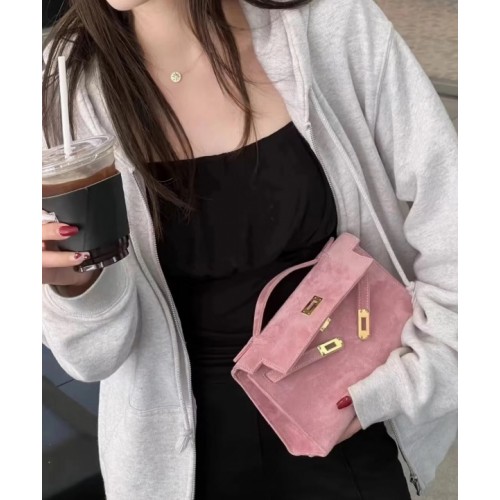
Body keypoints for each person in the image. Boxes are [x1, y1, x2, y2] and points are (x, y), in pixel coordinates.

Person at [41, 0, 458, 499]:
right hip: (180, 464)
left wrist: (412, 379)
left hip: (352, 420)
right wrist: (77, 286)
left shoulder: (329, 24)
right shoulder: (60, 85)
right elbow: (92, 359)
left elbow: (457, 224)